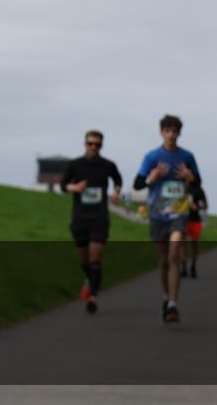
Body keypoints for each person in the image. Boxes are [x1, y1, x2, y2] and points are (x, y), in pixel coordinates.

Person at [133, 114, 201, 323]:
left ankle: (173, 304)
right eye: (167, 131)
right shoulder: (152, 157)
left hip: (179, 213)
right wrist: (152, 178)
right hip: (157, 214)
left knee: (173, 255)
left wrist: (190, 178)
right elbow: (137, 184)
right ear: (161, 132)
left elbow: (197, 184)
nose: (171, 135)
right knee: (163, 260)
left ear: (179, 133)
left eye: (175, 131)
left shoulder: (187, 157)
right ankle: (165, 295)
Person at [60, 130, 123, 314]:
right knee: (84, 260)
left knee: (95, 257)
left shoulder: (108, 165)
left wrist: (117, 191)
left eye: (97, 144)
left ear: (102, 146)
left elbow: (118, 179)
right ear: (84, 144)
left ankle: (93, 297)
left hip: (99, 217)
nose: (93, 147)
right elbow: (63, 185)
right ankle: (90, 280)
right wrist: (75, 187)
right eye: (90, 143)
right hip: (80, 217)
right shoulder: (75, 165)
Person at [182, 182, 208, 278]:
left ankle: (193, 266)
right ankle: (184, 267)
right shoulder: (180, 186)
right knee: (182, 243)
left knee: (194, 244)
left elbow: (206, 205)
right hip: (182, 219)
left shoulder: (198, 189)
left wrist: (197, 207)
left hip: (195, 220)